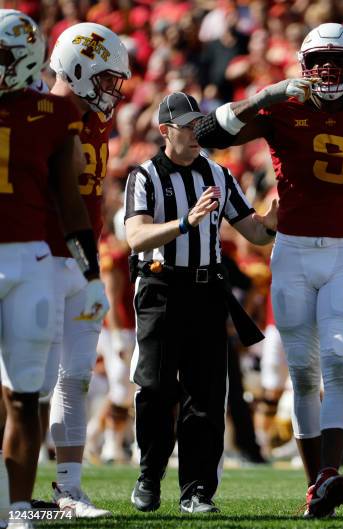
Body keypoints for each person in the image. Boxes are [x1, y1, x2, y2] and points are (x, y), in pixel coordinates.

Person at [195, 22, 343, 517]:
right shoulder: (282, 105)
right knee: (303, 374)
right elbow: (205, 132)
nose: (328, 69)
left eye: (340, 60)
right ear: (302, 64)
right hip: (294, 252)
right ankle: (316, 483)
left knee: (341, 366)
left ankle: (328, 471)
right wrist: (271, 92)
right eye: (320, 59)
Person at [125, 92, 276, 514]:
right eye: (188, 125)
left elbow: (254, 233)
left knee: (206, 396)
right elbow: (134, 238)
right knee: (155, 389)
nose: (197, 132)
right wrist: (185, 222)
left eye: (199, 124)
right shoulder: (145, 176)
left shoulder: (218, 173)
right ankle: (149, 474)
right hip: (160, 289)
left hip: (207, 290)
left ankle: (196, 490)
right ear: (165, 131)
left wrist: (273, 222)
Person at [0, 11, 107, 528]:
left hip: (35, 260)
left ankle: (17, 506)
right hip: (29, 259)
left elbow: (72, 202)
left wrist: (90, 274)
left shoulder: (53, 112)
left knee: (27, 393)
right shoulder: (56, 111)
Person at [34, 22, 131, 518]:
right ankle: (12, 491)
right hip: (43, 257)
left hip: (83, 258)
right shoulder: (42, 113)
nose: (114, 91)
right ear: (78, 66)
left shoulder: (94, 118)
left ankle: (68, 489)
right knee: (33, 378)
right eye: (108, 79)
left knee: (74, 379)